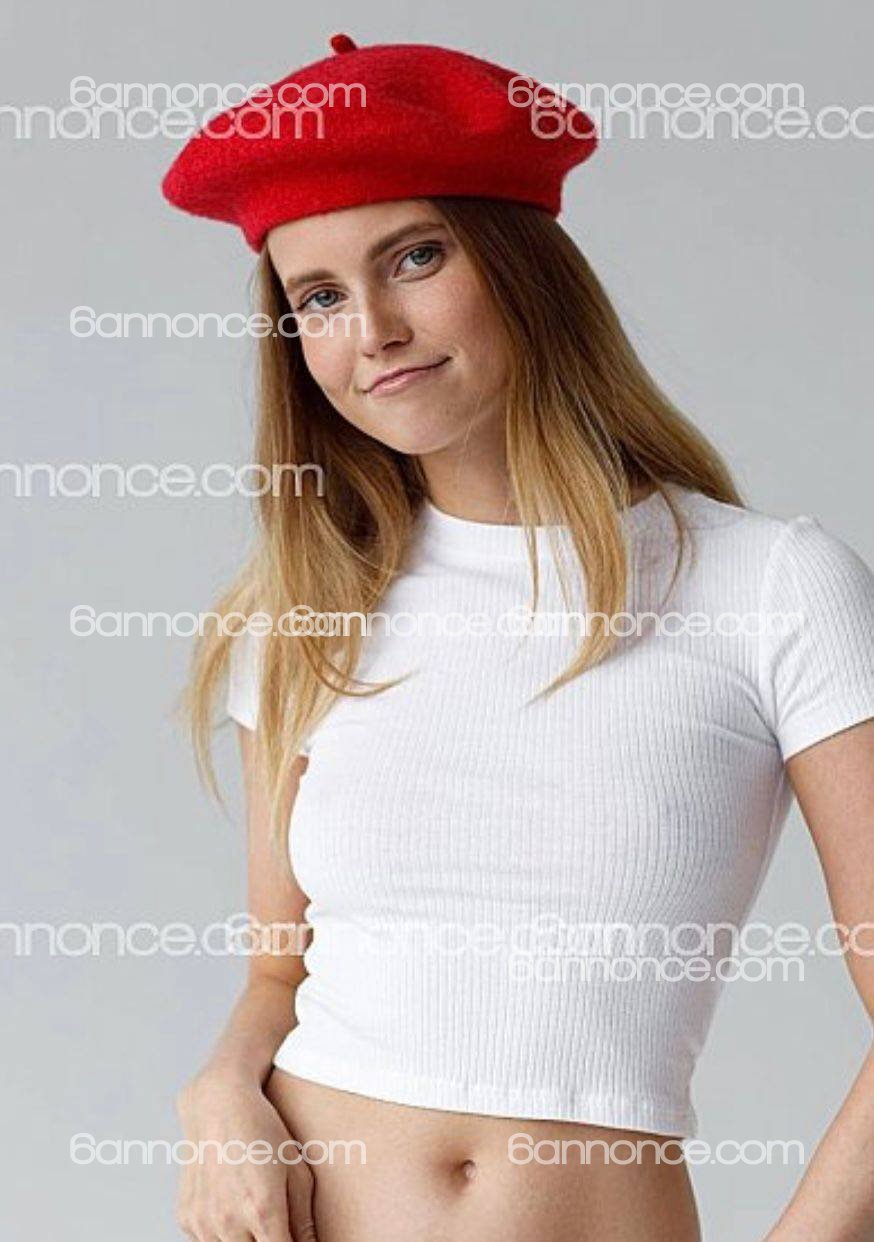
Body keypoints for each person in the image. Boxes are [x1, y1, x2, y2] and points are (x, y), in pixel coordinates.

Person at [162, 33, 874, 1242]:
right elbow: (279, 972)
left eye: (415, 256)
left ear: (525, 267)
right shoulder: (304, 615)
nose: (372, 328)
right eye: (318, 297)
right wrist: (217, 1094)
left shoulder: (771, 587)